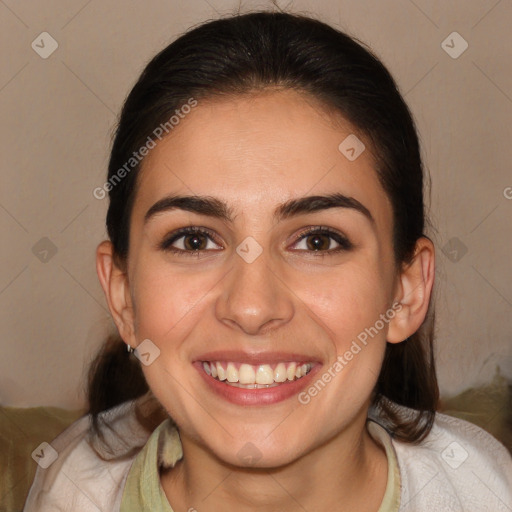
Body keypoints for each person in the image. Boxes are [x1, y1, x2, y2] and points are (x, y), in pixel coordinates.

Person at [23, 9, 512, 512]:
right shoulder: (69, 490)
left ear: (405, 290)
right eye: (194, 241)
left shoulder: (486, 491)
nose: (252, 308)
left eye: (319, 241)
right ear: (123, 296)